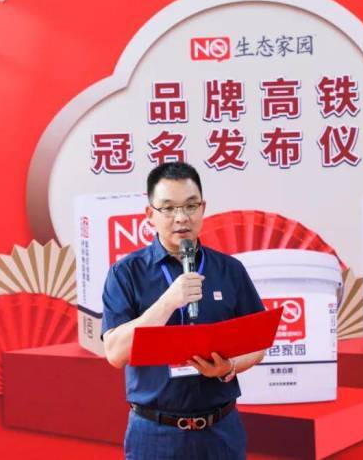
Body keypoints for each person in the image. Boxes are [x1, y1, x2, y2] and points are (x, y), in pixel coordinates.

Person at [102, 161, 266, 460]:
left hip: (220, 430)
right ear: (150, 214)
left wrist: (228, 367)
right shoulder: (126, 272)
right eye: (168, 208)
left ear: (203, 208)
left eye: (190, 206)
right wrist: (168, 301)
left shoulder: (230, 269)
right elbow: (115, 353)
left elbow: (258, 344)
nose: (181, 218)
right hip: (154, 432)